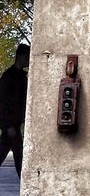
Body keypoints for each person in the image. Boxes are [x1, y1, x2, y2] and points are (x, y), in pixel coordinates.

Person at [0, 44, 30, 178]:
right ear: (22, 57)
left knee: (18, 158)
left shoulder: (20, 77)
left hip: (14, 125)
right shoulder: (9, 78)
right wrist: (8, 126)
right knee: (20, 159)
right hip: (11, 126)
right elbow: (3, 103)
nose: (29, 60)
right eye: (28, 57)